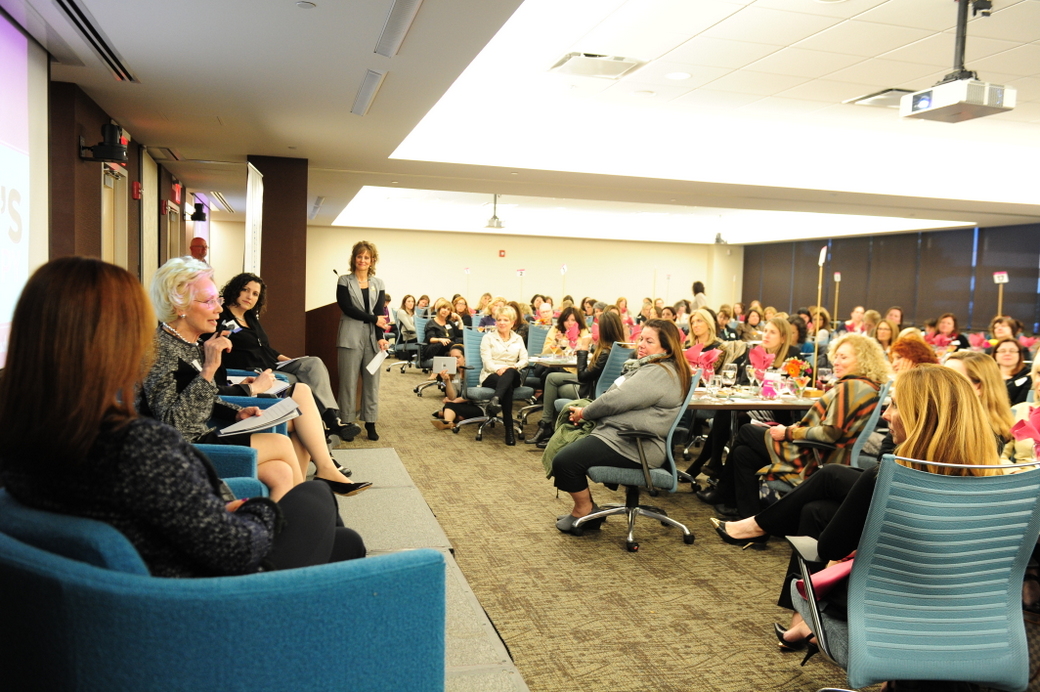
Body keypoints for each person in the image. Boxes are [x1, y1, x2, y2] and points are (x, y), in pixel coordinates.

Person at [0, 257, 368, 577]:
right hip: (215, 600)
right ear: (116, 344)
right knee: (318, 498)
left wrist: (231, 408)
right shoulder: (136, 447)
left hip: (148, 589)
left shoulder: (24, 438)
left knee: (341, 540)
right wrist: (255, 510)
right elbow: (232, 548)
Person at [713, 366, 1003, 673]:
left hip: (882, 610)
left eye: (895, 406)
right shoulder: (1004, 488)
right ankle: (801, 626)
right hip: (969, 617)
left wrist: (855, 547)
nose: (886, 415)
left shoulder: (885, 478)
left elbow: (828, 548)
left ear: (920, 417)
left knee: (822, 503)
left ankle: (769, 549)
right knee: (816, 508)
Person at [143, 257, 369, 502]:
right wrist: (209, 369)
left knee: (281, 471)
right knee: (281, 444)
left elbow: (204, 396)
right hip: (183, 449)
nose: (219, 309)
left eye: (217, 300)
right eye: (209, 301)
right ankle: (310, 511)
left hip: (203, 433)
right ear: (180, 306)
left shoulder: (189, 344)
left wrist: (234, 413)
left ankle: (288, 531)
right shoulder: (160, 351)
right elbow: (172, 424)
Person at [707, 334, 889, 519]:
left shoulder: (850, 387)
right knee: (742, 454)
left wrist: (788, 432)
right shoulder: (866, 386)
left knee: (746, 430)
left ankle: (724, 493)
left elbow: (830, 432)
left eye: (844, 357)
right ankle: (750, 518)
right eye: (837, 356)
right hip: (823, 452)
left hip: (813, 455)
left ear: (863, 360)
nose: (836, 361)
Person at [551, 319, 692, 532]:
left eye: (649, 341)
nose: (641, 344)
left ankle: (585, 511)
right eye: (641, 338)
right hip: (621, 436)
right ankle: (587, 510)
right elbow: (617, 396)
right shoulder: (652, 367)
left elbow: (616, 400)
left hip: (636, 444)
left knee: (564, 461)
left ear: (666, 347)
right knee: (566, 436)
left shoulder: (658, 372)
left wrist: (585, 413)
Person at [216, 272, 361, 443]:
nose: (250, 296)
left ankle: (331, 420)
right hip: (253, 372)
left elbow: (265, 348)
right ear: (235, 290)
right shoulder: (221, 317)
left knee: (312, 363)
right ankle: (326, 428)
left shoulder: (249, 317)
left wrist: (291, 361)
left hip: (272, 364)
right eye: (245, 290)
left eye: (255, 294)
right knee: (302, 385)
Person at [690, 315, 801, 479]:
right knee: (726, 412)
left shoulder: (793, 357)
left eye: (772, 332)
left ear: (783, 338)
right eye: (765, 331)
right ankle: (713, 464)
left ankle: (708, 465)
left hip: (778, 410)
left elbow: (797, 387)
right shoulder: (756, 352)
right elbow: (742, 381)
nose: (766, 335)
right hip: (753, 403)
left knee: (736, 416)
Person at [528, 311, 625, 448]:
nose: (594, 330)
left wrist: (583, 348)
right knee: (551, 377)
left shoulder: (605, 352)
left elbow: (583, 376)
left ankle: (547, 426)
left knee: (553, 385)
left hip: (591, 391)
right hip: (602, 389)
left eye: (597, 326)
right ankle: (550, 429)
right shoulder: (619, 349)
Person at [336, 240, 390, 441]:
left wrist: (380, 338)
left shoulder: (379, 283)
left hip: (372, 339)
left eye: (366, 257)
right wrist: (375, 319)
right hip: (349, 336)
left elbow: (378, 313)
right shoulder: (344, 280)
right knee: (348, 382)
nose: (362, 260)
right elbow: (347, 308)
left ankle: (370, 422)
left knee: (372, 382)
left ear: (372, 260)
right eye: (359, 256)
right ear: (354, 258)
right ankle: (348, 423)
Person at [944, 350, 1014, 451]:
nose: (940, 381)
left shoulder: (988, 433)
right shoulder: (942, 414)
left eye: (951, 378)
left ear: (979, 387)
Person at [480, 305, 529, 446]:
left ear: (512, 323)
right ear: (495, 322)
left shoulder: (518, 338)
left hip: (513, 374)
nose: (502, 323)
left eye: (505, 320)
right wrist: (498, 369)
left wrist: (514, 367)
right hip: (491, 375)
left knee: (510, 373)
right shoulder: (488, 338)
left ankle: (495, 400)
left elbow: (524, 360)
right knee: (506, 387)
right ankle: (509, 429)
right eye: (499, 320)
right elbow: (487, 362)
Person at [430, 344, 482, 430]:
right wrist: (447, 381)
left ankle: (449, 417)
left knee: (451, 405)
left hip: (479, 405)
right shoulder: (453, 373)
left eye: (457, 357)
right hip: (463, 404)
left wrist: (455, 400)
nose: (455, 361)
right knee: (450, 405)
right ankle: (450, 422)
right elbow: (452, 396)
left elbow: (475, 394)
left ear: (465, 358)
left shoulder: (473, 371)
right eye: (452, 358)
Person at [991, 337, 1031, 405]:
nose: (1007, 354)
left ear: (1019, 355)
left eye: (1012, 351)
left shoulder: (1029, 376)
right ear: (995, 355)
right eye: (1002, 351)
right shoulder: (986, 374)